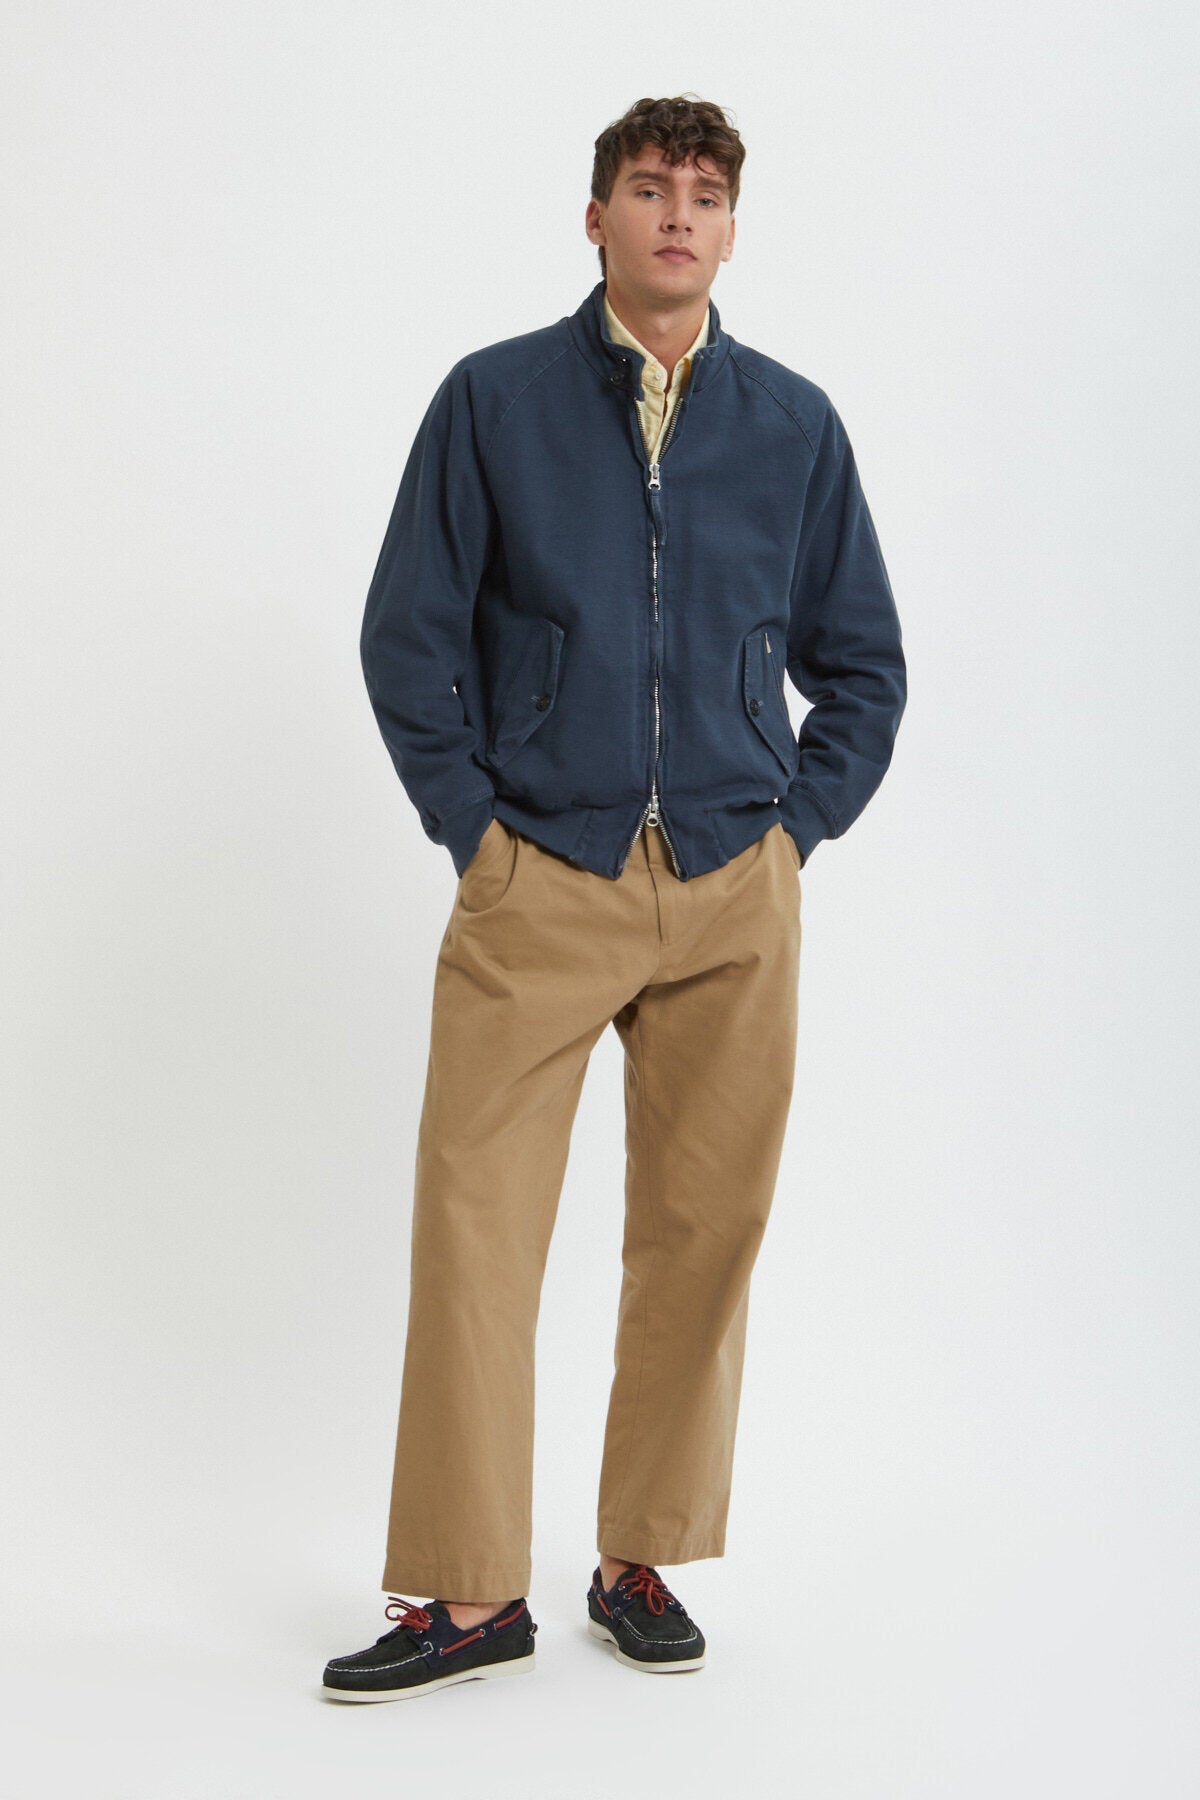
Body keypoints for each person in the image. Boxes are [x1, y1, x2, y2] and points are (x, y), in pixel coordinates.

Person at [322, 94, 906, 1702]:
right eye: (649, 189)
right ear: (597, 219)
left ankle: (638, 1556)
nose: (677, 216)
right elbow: (408, 635)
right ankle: (467, 1594)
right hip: (543, 876)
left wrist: (793, 833)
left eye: (704, 194)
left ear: (732, 230)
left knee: (704, 1233)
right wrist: (475, 832)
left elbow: (863, 664)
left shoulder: (793, 426)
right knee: (474, 1228)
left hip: (731, 883)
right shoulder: (496, 401)